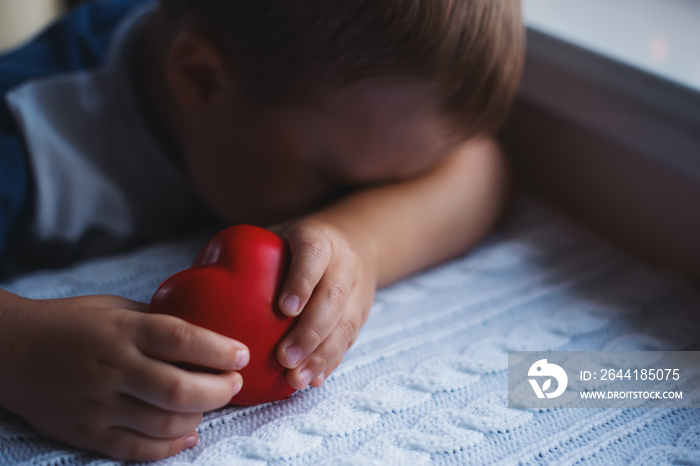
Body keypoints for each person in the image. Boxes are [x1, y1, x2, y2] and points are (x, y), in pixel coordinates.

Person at [0, 0, 524, 460]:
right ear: (202, 80)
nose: (344, 199)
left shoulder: (278, 77)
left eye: (385, 186)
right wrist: (20, 351)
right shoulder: (24, 136)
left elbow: (481, 166)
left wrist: (358, 240)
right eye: (338, 182)